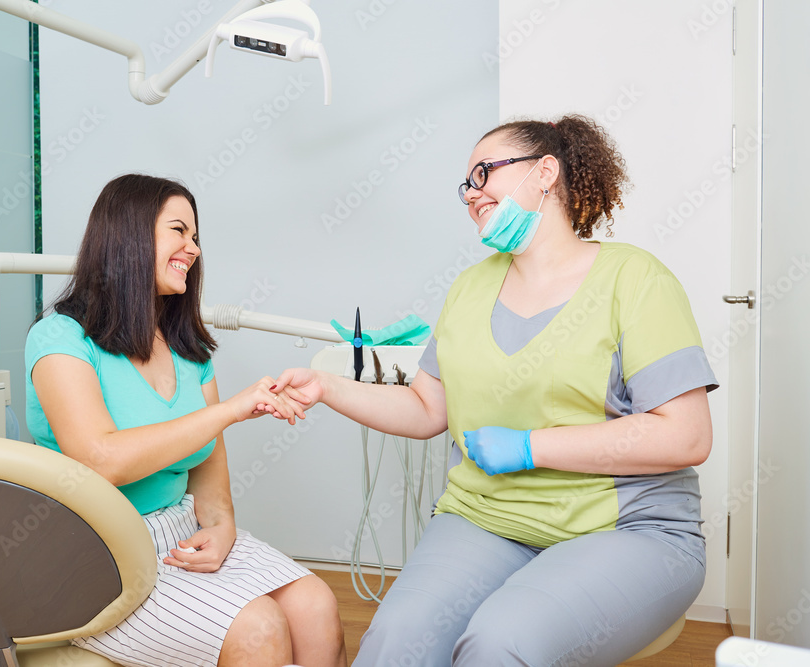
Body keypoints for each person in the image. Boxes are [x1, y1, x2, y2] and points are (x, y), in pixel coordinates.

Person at [271, 115, 718, 666]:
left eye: (484, 173)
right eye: (466, 184)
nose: (472, 194)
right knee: (395, 644)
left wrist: (530, 447)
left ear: (545, 173)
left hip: (626, 527)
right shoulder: (471, 286)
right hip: (487, 517)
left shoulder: (636, 280)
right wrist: (326, 387)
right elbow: (425, 407)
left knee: (500, 643)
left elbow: (688, 436)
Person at [25, 173, 345, 667]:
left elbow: (210, 486)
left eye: (196, 236)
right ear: (128, 237)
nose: (193, 248)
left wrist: (222, 528)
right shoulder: (60, 339)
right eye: (179, 231)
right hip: (94, 553)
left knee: (316, 606)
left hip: (178, 535)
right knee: (259, 627)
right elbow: (101, 459)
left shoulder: (188, 351)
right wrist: (230, 410)